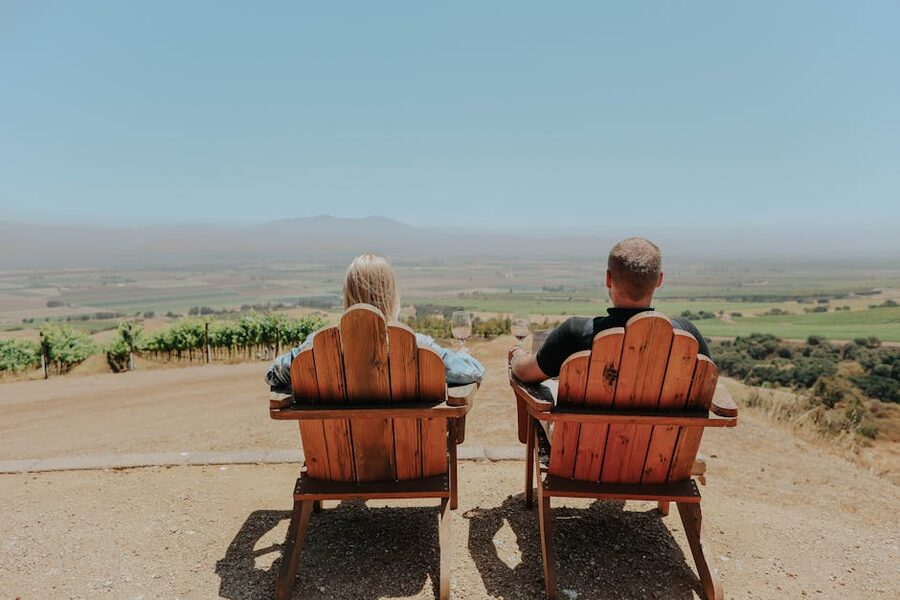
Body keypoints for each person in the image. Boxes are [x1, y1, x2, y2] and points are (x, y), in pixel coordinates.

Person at [266, 253, 485, 392]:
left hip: (337, 454)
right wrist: (463, 355)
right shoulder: (418, 346)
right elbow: (473, 372)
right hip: (409, 453)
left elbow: (273, 374)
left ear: (347, 295)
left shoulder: (317, 347)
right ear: (391, 296)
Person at [509, 237, 710, 384]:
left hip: (587, 433)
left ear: (608, 279)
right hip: (668, 433)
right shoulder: (686, 334)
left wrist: (517, 354)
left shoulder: (575, 333)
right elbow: (709, 382)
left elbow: (525, 373)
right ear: (659, 280)